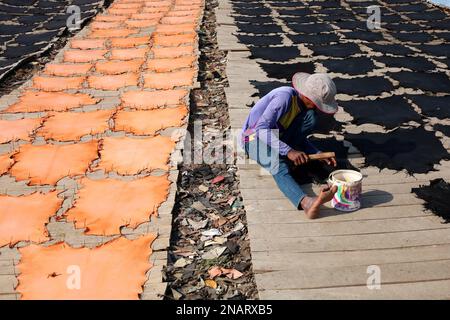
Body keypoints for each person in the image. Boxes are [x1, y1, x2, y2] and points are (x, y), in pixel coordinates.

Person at [241, 73, 339, 219]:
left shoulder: (304, 110)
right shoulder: (284, 98)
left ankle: (284, 155)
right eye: (317, 104)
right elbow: (261, 129)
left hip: (277, 136)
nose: (318, 108)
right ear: (308, 97)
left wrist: (317, 153)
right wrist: (289, 151)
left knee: (311, 119)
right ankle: (306, 203)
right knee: (278, 166)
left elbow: (299, 138)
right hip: (252, 137)